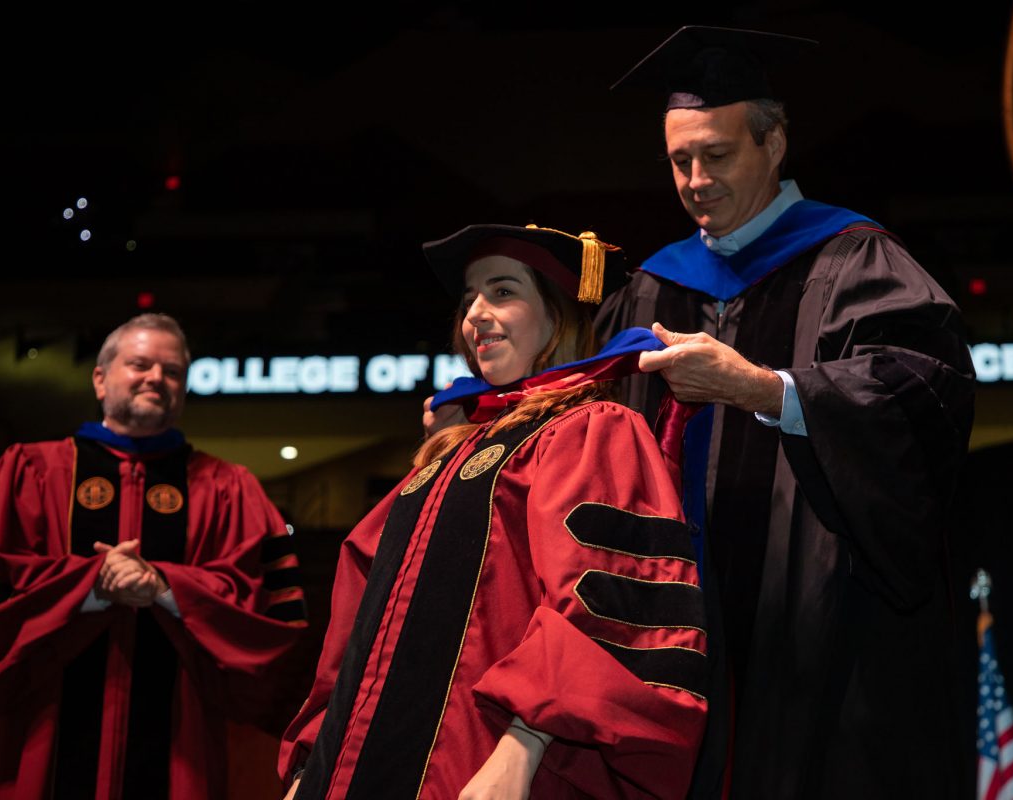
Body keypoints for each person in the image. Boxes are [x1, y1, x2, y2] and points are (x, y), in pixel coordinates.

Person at [598, 27, 977, 799]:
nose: (696, 180)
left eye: (718, 154)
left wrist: (766, 390)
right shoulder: (650, 290)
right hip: (680, 638)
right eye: (679, 160)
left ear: (774, 144)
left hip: (819, 636)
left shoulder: (855, 259)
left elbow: (925, 395)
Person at [280, 225, 707, 800]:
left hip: (486, 765)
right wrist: (313, 758)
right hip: (354, 767)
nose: (476, 313)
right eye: (469, 299)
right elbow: (360, 620)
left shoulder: (590, 430)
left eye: (502, 292)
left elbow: (605, 609)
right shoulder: (450, 449)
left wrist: (520, 751)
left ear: (558, 315)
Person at [0, 313, 308, 800]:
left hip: (180, 745)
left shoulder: (232, 490)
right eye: (140, 364)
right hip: (45, 732)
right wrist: (89, 585)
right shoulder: (27, 472)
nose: (157, 378)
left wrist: (165, 589)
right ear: (100, 378)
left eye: (172, 372)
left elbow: (274, 620)